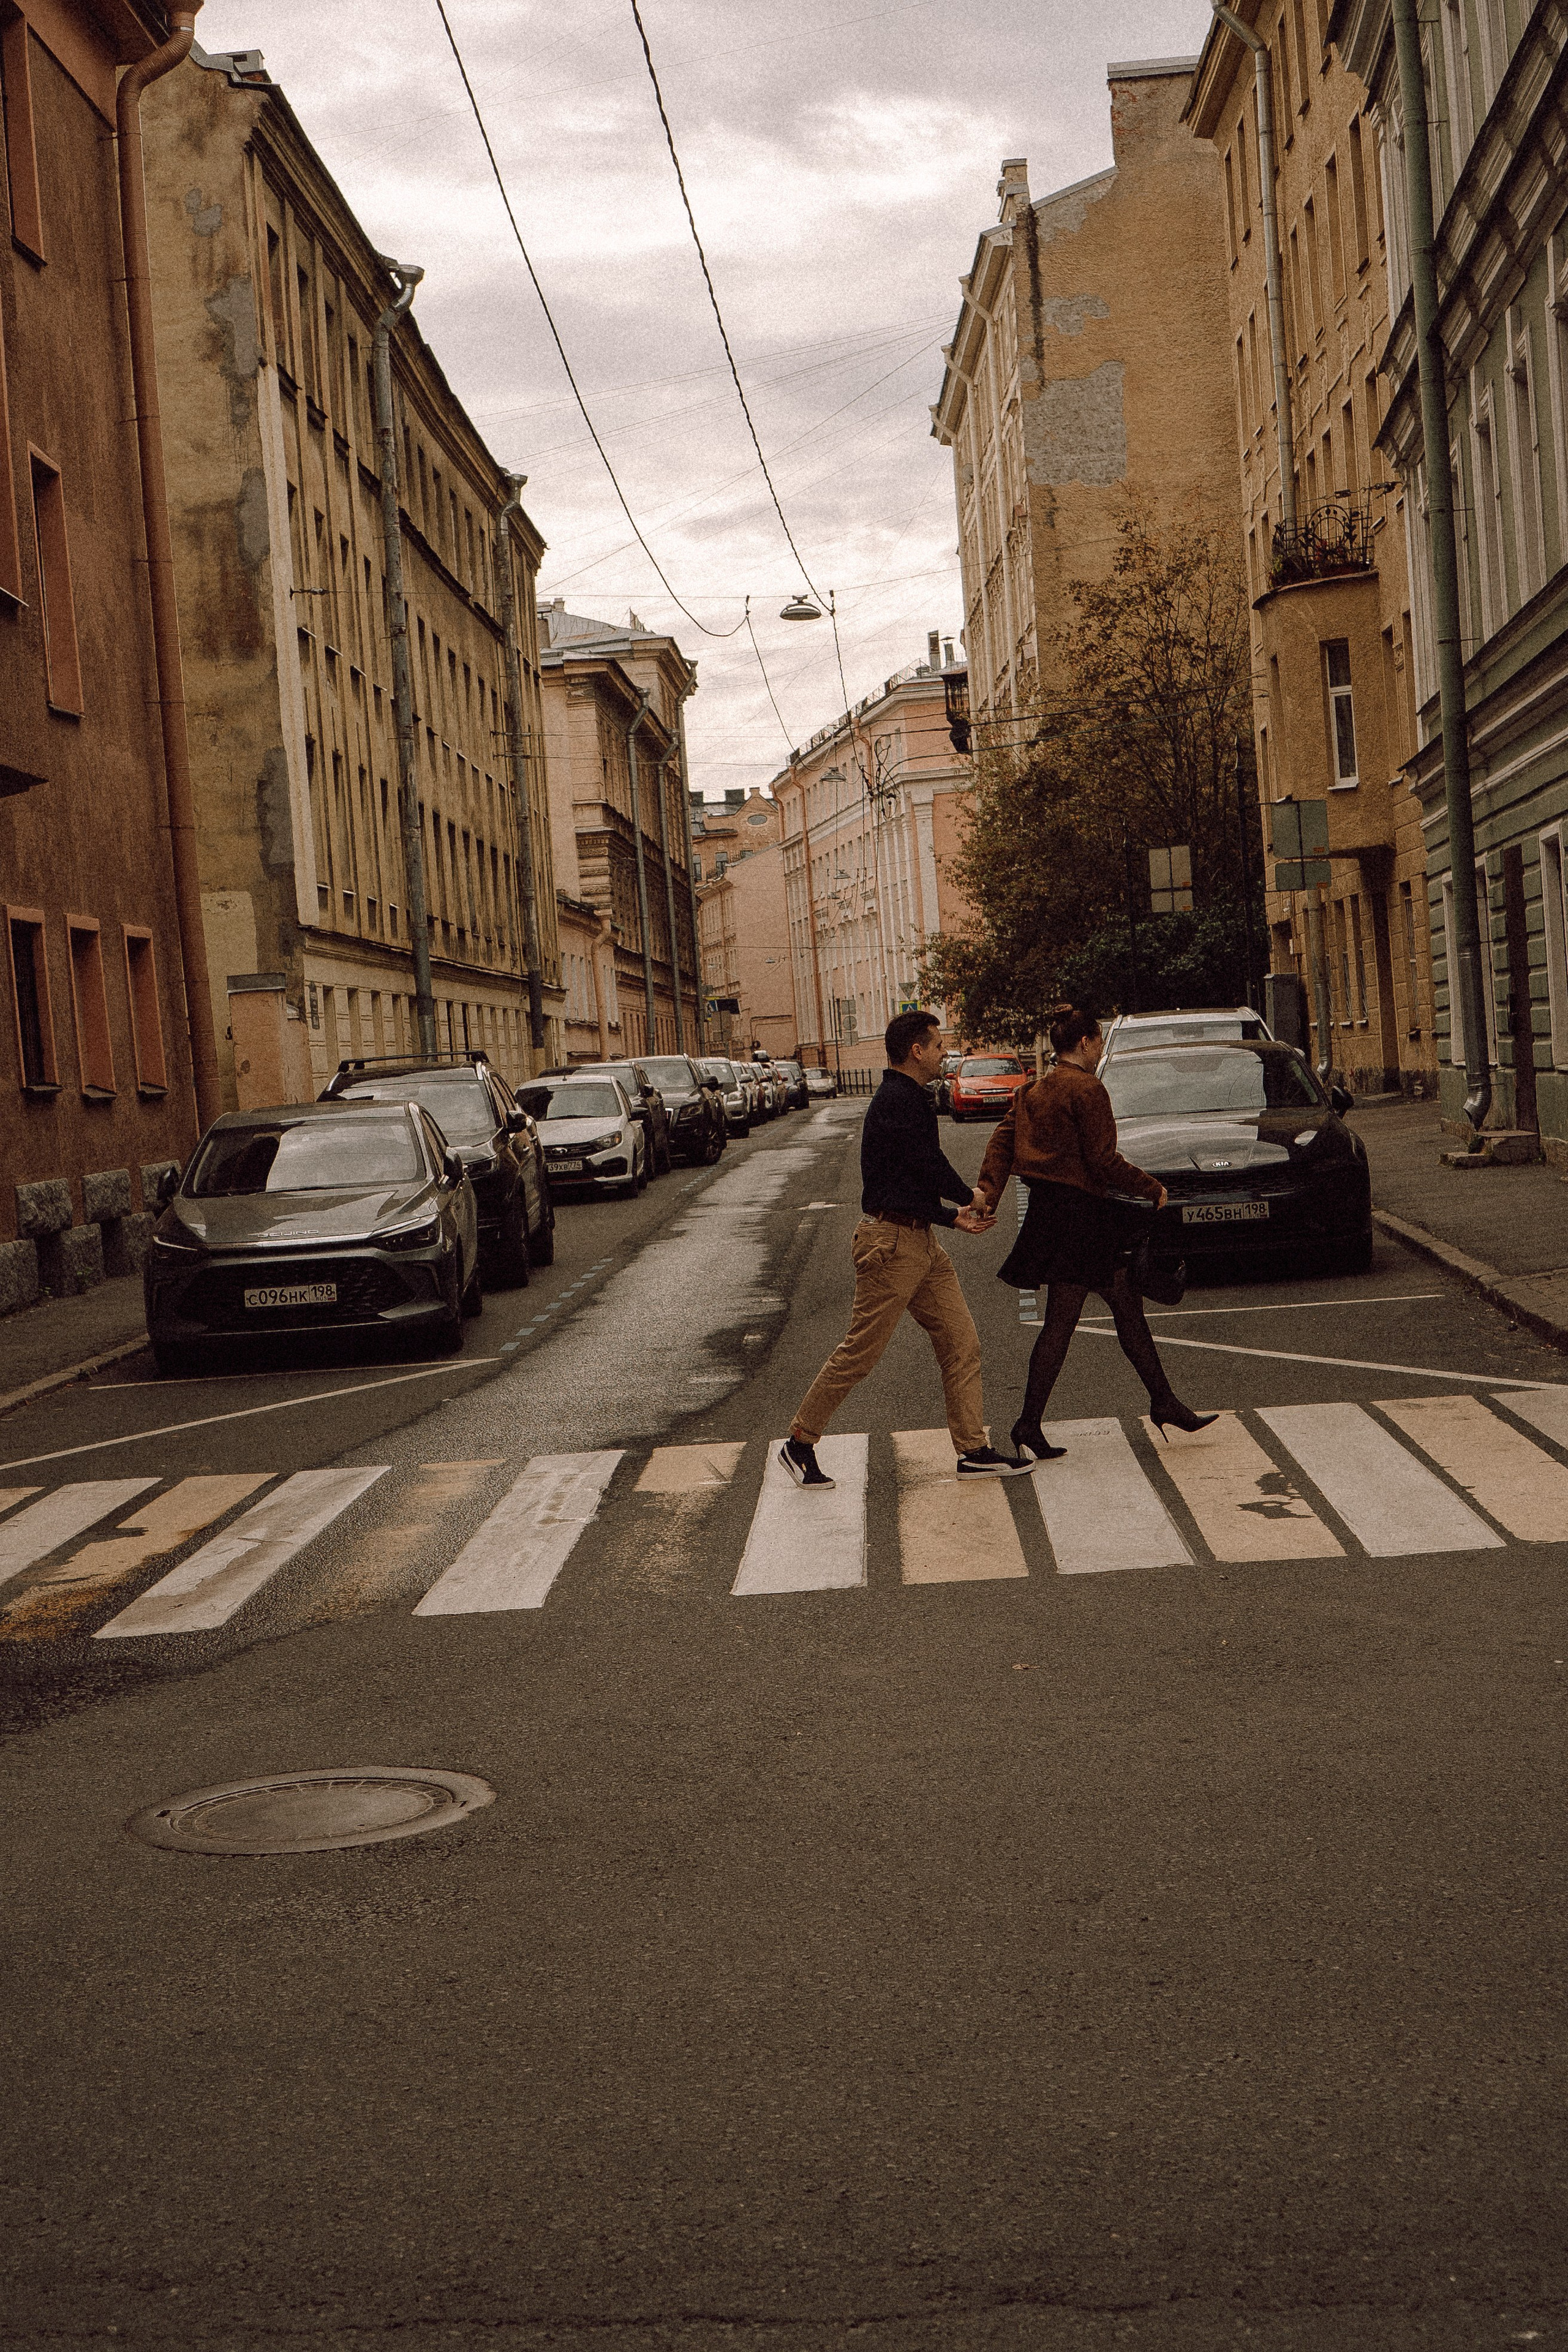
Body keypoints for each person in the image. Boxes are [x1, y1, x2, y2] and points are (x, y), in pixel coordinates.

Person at [780, 1009, 1031, 1490]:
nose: (944, 1054)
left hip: (918, 1239)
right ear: (917, 1051)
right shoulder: (901, 1099)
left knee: (961, 1343)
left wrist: (948, 1218)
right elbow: (928, 1165)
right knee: (859, 1355)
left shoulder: (905, 1098)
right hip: (891, 1246)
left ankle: (973, 1449)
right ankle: (799, 1442)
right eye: (938, 1046)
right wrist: (968, 1197)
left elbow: (906, 1180)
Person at [972, 1005, 1217, 1461]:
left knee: (1122, 1307)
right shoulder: (1087, 1089)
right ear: (1084, 1043)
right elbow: (1103, 1159)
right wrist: (1152, 1188)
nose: (1101, 1049)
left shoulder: (1032, 1092)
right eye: (1100, 1041)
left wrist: (988, 1192)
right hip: (1081, 1218)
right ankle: (1031, 1421)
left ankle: (1162, 1401)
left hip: (1054, 1216)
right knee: (1067, 1323)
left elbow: (1002, 1144)